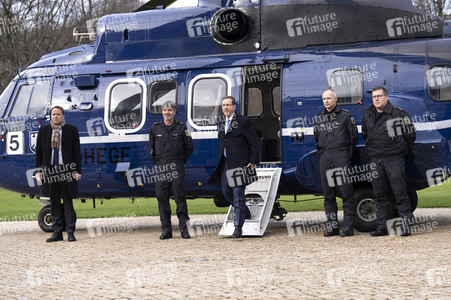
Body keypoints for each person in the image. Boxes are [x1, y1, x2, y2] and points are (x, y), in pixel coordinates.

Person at [362, 86, 416, 236]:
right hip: (375, 160)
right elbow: (366, 135)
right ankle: (382, 227)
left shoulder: (398, 114)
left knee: (399, 193)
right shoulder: (367, 114)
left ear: (386, 97)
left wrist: (398, 148)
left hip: (394, 159)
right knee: (380, 195)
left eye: (379, 96)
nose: (376, 99)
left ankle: (406, 226)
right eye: (374, 97)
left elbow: (410, 136)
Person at [208, 96, 260, 238]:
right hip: (225, 162)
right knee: (226, 192)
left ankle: (238, 227)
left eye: (228, 105)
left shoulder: (243, 121)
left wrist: (253, 160)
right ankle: (245, 211)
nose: (225, 108)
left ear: (234, 106)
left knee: (238, 194)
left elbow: (254, 142)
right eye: (223, 105)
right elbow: (221, 142)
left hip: (240, 163)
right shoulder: (220, 122)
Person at [314, 89, 359, 237]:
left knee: (346, 192)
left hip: (341, 156)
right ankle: (332, 228)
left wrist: (346, 154)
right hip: (325, 157)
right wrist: (324, 154)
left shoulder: (345, 116)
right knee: (328, 195)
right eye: (324, 99)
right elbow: (317, 139)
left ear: (336, 99)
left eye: (329, 98)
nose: (326, 101)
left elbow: (353, 138)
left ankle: (348, 228)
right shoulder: (319, 118)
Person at [35, 106, 82, 242]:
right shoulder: (44, 131)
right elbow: (39, 152)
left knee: (68, 201)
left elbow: (76, 153)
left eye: (58, 114)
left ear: (63, 116)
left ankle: (70, 232)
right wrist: (38, 171)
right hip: (50, 171)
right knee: (54, 202)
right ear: (51, 116)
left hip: (66, 170)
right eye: (53, 114)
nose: (55, 116)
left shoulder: (71, 130)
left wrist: (77, 171)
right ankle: (57, 233)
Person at [149, 101, 194, 240]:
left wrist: (180, 162)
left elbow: (189, 147)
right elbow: (152, 150)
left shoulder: (181, 128)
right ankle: (166, 230)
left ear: (174, 112)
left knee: (180, 198)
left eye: (169, 110)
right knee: (162, 199)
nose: (166, 113)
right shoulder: (155, 128)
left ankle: (184, 230)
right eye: (164, 110)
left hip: (177, 167)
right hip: (161, 168)